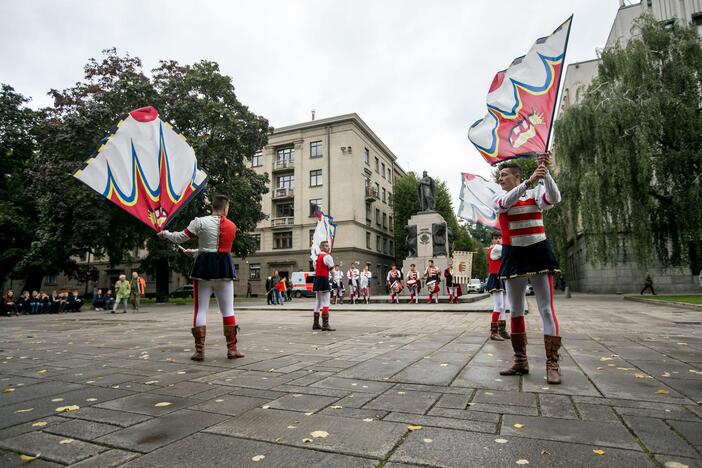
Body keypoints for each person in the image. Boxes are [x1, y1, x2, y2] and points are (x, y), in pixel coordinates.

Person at [493, 153, 563, 385]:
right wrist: (530, 182)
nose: (500, 179)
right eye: (500, 176)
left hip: (538, 251)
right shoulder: (499, 197)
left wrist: (545, 171)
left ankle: (552, 363)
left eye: (504, 175)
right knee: (516, 309)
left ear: (516, 176)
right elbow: (507, 203)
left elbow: (555, 198)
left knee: (545, 308)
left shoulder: (535, 194)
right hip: (514, 254)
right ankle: (520, 360)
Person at [159, 194, 244, 360]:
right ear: (226, 208)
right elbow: (219, 248)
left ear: (213, 206)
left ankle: (200, 351)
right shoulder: (232, 226)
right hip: (224, 268)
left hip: (203, 267)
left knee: (200, 310)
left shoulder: (199, 221)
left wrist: (166, 234)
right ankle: (232, 349)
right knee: (228, 310)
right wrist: (197, 251)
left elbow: (180, 237)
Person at [487, 233, 510, 341]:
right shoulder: (495, 249)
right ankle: (494, 332)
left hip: (502, 277)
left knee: (503, 306)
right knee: (499, 306)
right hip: (496, 277)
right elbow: (508, 251)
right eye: (495, 238)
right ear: (492, 241)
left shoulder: (500, 248)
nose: (498, 240)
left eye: (500, 238)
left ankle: (502, 330)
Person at [312, 240, 336, 331]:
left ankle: (316, 324)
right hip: (324, 279)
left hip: (317, 279)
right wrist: (333, 279)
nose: (328, 247)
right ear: (322, 247)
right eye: (326, 246)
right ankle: (325, 325)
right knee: (326, 302)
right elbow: (332, 270)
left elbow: (316, 268)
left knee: (318, 302)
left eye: (328, 246)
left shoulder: (316, 258)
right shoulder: (327, 256)